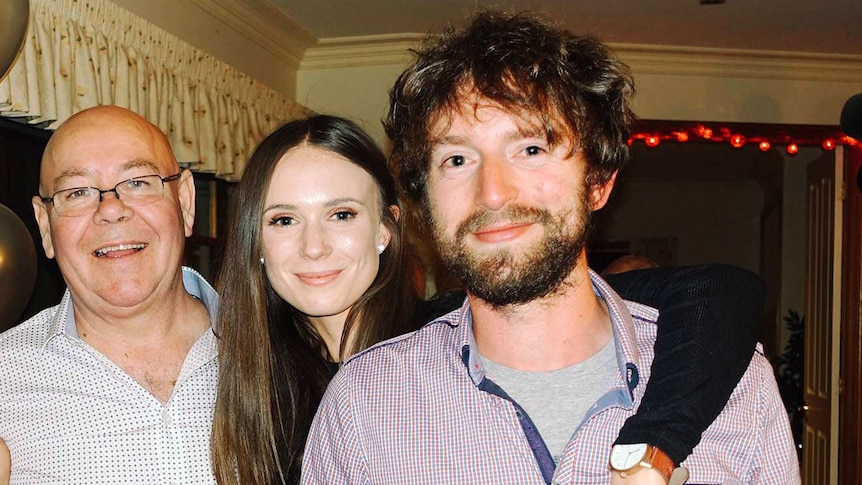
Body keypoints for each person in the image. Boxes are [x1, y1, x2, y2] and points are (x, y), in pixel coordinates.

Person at [301, 11, 799, 485]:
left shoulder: (741, 390)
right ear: (425, 203)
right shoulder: (364, 404)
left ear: (598, 183)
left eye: (531, 150)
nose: (493, 192)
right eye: (456, 159)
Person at [213, 115, 766, 485]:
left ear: (387, 229)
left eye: (341, 214)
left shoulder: (460, 331)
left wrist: (653, 445)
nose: (314, 246)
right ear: (255, 243)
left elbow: (718, 292)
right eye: (284, 220)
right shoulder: (249, 378)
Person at [0, 106, 218, 483]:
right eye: (77, 192)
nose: (111, 210)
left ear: (184, 201)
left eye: (137, 182)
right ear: (45, 226)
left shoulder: (284, 353)